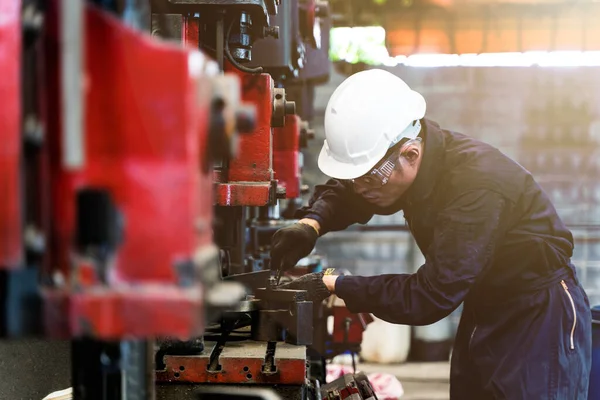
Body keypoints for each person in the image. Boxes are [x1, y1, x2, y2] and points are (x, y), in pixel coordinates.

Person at [270, 68, 592, 399]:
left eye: (369, 178)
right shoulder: (408, 165)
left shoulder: (475, 187)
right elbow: (348, 191)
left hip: (539, 316)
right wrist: (310, 224)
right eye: (356, 178)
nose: (359, 189)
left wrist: (332, 283)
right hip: (486, 308)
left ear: (410, 153)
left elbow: (428, 297)